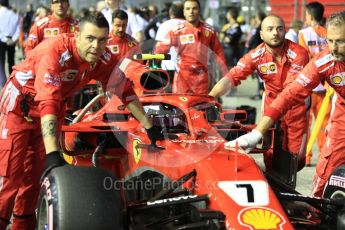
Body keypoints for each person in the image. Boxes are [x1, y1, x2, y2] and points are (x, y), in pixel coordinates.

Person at [0, 13, 162, 230]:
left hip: (53, 108)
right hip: (20, 106)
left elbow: (124, 91)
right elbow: (47, 100)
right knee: (9, 174)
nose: (96, 46)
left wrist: (149, 126)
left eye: (102, 40)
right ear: (76, 35)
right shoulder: (55, 51)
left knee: (35, 176)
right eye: (90, 38)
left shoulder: (103, 58)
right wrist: (52, 153)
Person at [224, 11, 345, 198]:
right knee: (323, 177)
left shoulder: (297, 52)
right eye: (330, 41)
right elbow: (290, 94)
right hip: (341, 119)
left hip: (300, 114)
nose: (334, 48)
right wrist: (257, 132)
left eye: (340, 41)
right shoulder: (324, 61)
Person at [209, 15, 310, 169]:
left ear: (285, 31)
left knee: (296, 161)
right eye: (270, 29)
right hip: (270, 106)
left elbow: (291, 91)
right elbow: (232, 77)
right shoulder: (255, 55)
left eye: (279, 29)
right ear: (262, 35)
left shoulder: (299, 53)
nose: (275, 33)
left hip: (295, 107)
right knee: (269, 157)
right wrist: (209, 98)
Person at [155, 0, 227, 95]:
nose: (191, 12)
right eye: (188, 9)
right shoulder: (176, 30)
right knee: (180, 108)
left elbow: (218, 52)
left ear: (199, 11)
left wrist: (225, 74)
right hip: (182, 78)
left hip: (202, 79)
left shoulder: (209, 30)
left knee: (201, 107)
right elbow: (160, 49)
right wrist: (153, 67)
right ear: (184, 12)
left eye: (194, 8)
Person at [298, 1, 329, 166]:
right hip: (326, 85)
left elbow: (303, 59)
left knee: (306, 123)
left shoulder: (303, 33)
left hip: (309, 84)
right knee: (324, 123)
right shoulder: (328, 32)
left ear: (308, 15)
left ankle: (306, 157)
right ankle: (324, 156)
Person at [0, 0, 20, 85]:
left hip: (1, 40)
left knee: (1, 62)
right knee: (11, 61)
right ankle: (12, 81)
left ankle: (3, 82)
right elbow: (18, 29)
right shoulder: (14, 15)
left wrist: (4, 38)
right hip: (11, 41)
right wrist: (13, 39)